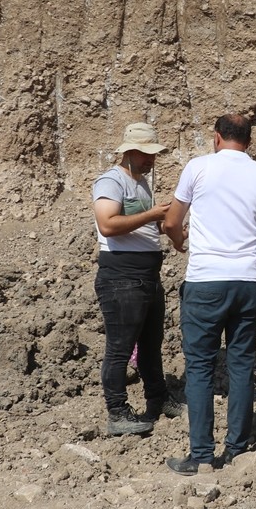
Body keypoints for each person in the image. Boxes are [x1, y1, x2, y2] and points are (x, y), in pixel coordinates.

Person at [162, 114, 256, 474]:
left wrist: (179, 243)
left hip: (206, 282)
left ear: (217, 138)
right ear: (248, 141)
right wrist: (247, 245)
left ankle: (201, 456)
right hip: (248, 282)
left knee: (200, 367)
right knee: (241, 365)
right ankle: (237, 450)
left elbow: (172, 222)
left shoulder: (198, 168)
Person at [92, 122, 182, 436]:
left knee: (150, 345)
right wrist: (153, 215)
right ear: (128, 151)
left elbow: (140, 226)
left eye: (153, 154)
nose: (151, 160)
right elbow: (108, 224)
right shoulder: (111, 181)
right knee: (119, 349)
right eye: (146, 154)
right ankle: (117, 412)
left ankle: (157, 399)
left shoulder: (141, 182)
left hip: (146, 275)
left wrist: (168, 221)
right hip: (121, 277)